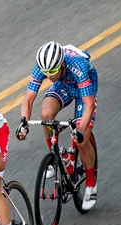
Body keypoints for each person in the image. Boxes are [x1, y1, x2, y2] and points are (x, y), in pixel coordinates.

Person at [16, 41, 98, 210]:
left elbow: (88, 104)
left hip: (84, 84)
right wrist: (23, 123)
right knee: (46, 115)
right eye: (46, 73)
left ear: (61, 64)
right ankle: (54, 158)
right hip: (64, 85)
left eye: (52, 71)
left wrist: (81, 131)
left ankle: (91, 183)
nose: (49, 76)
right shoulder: (44, 66)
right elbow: (29, 99)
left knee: (82, 141)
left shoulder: (78, 66)